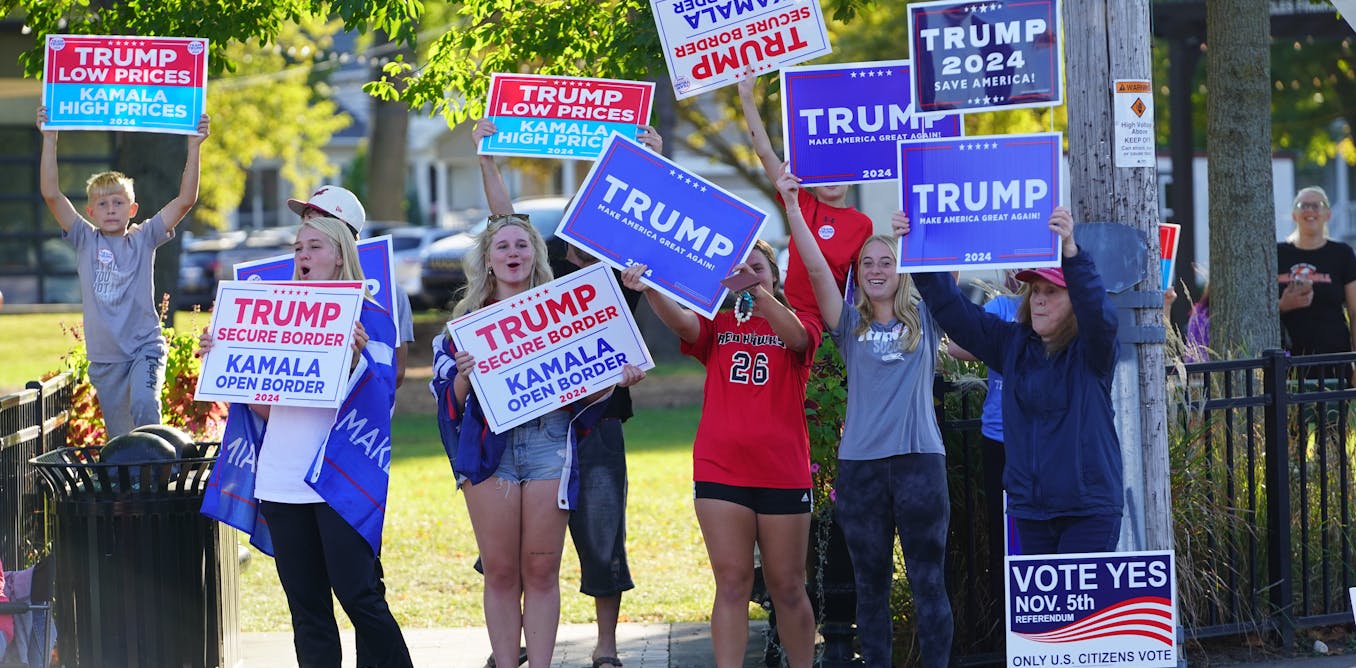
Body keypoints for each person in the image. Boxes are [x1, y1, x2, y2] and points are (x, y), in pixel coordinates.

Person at [467, 118, 661, 668]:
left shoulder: (627, 267)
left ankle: (605, 646)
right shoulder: (544, 264)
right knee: (513, 552)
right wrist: (487, 162)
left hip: (596, 422)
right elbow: (504, 227)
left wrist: (650, 162)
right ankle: (515, 641)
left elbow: (671, 221)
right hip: (531, 424)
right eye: (584, 206)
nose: (590, 215)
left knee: (601, 535)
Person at [431, 208, 645, 666]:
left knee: (542, 570)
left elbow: (585, 392)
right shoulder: (465, 322)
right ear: (488, 258)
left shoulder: (562, 311)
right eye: (503, 245)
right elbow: (446, 398)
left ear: (537, 255)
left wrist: (615, 380)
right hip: (491, 451)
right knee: (502, 573)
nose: (513, 252)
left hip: (550, 442)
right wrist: (465, 378)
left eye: (522, 244)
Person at [198, 216, 413, 667]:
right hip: (280, 479)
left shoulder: (370, 318)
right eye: (298, 248)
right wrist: (225, 358)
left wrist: (356, 362)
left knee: (361, 597)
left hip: (339, 480)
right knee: (307, 611)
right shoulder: (273, 312)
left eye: (314, 247)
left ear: (340, 254)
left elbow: (383, 400)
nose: (302, 256)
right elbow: (267, 409)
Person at [776, 167, 952, 666]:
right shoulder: (847, 323)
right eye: (868, 262)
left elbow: (949, 268)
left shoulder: (928, 317)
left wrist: (913, 233)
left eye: (887, 261)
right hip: (863, 471)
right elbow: (813, 271)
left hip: (920, 466)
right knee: (870, 591)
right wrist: (793, 208)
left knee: (928, 585)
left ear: (901, 268)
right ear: (859, 271)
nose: (877, 268)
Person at [620, 243, 819, 668]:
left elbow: (799, 340)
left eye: (758, 268)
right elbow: (684, 324)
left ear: (774, 276)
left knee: (787, 586)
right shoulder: (719, 322)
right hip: (721, 468)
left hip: (783, 471)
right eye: (740, 270)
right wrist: (651, 288)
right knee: (732, 582)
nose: (749, 274)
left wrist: (758, 293)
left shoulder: (797, 321)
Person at [902, 207, 1124, 554]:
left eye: (1051, 292)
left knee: (1082, 612)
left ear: (1074, 302)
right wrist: (916, 251)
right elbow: (954, 311)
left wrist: (1071, 252)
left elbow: (1100, 314)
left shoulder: (1091, 350)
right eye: (1034, 290)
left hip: (1088, 512)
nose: (1038, 299)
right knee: (1038, 611)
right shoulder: (1013, 343)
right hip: (1030, 512)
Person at [37, 106, 210, 437]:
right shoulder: (84, 238)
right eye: (102, 204)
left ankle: (159, 473)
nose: (111, 209)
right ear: (90, 211)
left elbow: (185, 200)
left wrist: (194, 146)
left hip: (144, 347)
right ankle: (130, 487)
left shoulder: (143, 238)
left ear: (132, 209)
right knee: (121, 440)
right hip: (106, 360)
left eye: (118, 203)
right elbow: (51, 195)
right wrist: (50, 138)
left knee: (145, 406)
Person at [737, 74, 873, 321]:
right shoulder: (800, 203)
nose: (832, 179)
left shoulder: (862, 223)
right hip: (797, 318)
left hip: (836, 322)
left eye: (840, 172)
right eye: (825, 172)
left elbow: (861, 283)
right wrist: (746, 97)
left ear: (853, 177)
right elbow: (765, 152)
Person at [287, 186, 419, 388]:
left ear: (340, 229)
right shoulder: (286, 293)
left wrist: (355, 366)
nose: (304, 226)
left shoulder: (391, 293)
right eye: (304, 219)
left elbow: (396, 374)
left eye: (313, 219)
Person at [1277, 186, 1356, 386]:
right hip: (1287, 361)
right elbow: (1258, 311)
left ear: (1327, 215)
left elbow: (1355, 312)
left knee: (1335, 417)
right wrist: (1283, 305)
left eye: (1316, 205)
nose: (1309, 210)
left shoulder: (1342, 254)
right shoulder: (1277, 253)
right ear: (1294, 215)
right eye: (1302, 205)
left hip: (1335, 359)